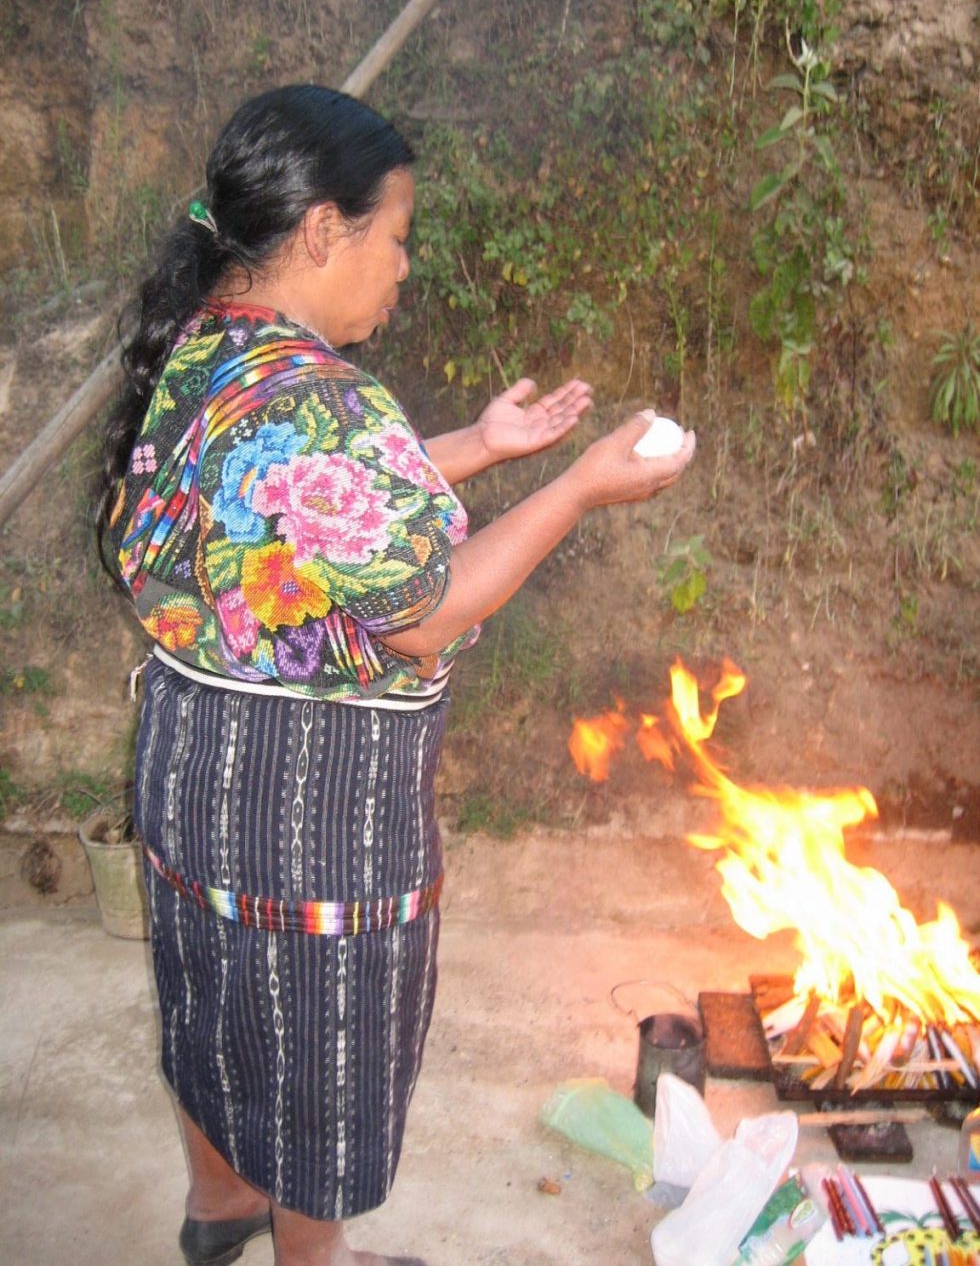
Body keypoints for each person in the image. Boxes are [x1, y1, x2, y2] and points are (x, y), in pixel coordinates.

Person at [95, 83, 695, 1266]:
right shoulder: (325, 396)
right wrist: (573, 488)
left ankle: (219, 1212)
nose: (405, 265)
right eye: (397, 234)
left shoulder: (206, 340)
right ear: (324, 230)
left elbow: (287, 509)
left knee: (215, 1012)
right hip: (310, 801)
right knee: (321, 1056)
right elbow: (424, 609)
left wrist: (477, 446)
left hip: (190, 764)